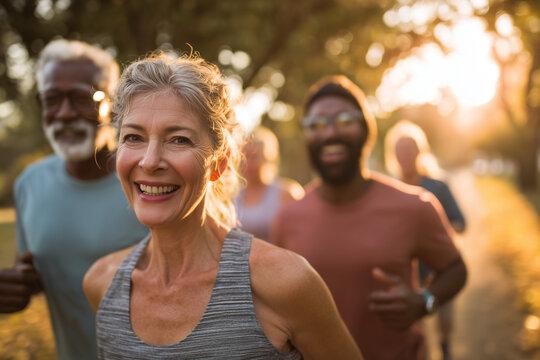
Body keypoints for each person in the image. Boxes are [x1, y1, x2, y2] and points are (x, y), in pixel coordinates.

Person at [83, 53, 363, 360]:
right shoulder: (102, 283)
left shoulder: (285, 283)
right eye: (133, 137)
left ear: (219, 162)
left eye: (178, 140)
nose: (149, 161)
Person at [271, 75, 467, 360]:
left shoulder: (415, 207)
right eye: (316, 125)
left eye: (344, 121)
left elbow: (456, 269)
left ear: (366, 131)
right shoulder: (288, 219)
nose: (329, 133)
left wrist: (424, 302)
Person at [0, 39, 148, 360]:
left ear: (114, 105)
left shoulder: (149, 180)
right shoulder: (30, 183)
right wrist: (15, 287)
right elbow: (40, 272)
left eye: (83, 97)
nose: (64, 114)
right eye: (51, 99)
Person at [385, 119, 466, 360]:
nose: (404, 157)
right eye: (399, 152)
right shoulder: (390, 189)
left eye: (408, 151)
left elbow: (461, 222)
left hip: (437, 267)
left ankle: (446, 348)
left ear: (419, 153)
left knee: (444, 317)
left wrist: (437, 231)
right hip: (406, 269)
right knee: (416, 325)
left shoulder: (438, 187)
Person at [235, 126, 304, 240]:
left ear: (268, 158)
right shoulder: (232, 197)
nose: (248, 163)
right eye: (245, 157)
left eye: (254, 157)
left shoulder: (287, 193)